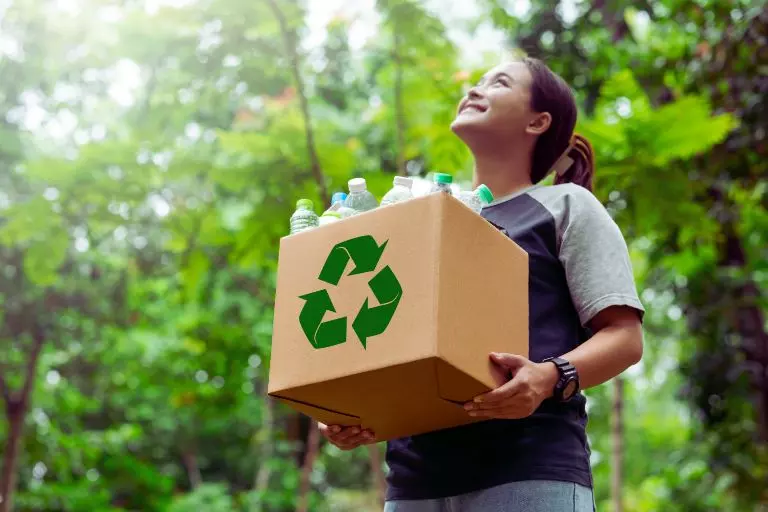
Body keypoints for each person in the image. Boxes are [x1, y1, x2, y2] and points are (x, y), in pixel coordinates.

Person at [319, 57, 645, 511]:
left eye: (500, 83)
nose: (474, 89)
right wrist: (351, 413)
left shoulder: (564, 206)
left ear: (538, 121)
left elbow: (625, 338)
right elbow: (389, 344)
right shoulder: (422, 222)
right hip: (414, 484)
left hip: (529, 472)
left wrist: (548, 378)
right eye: (476, 82)